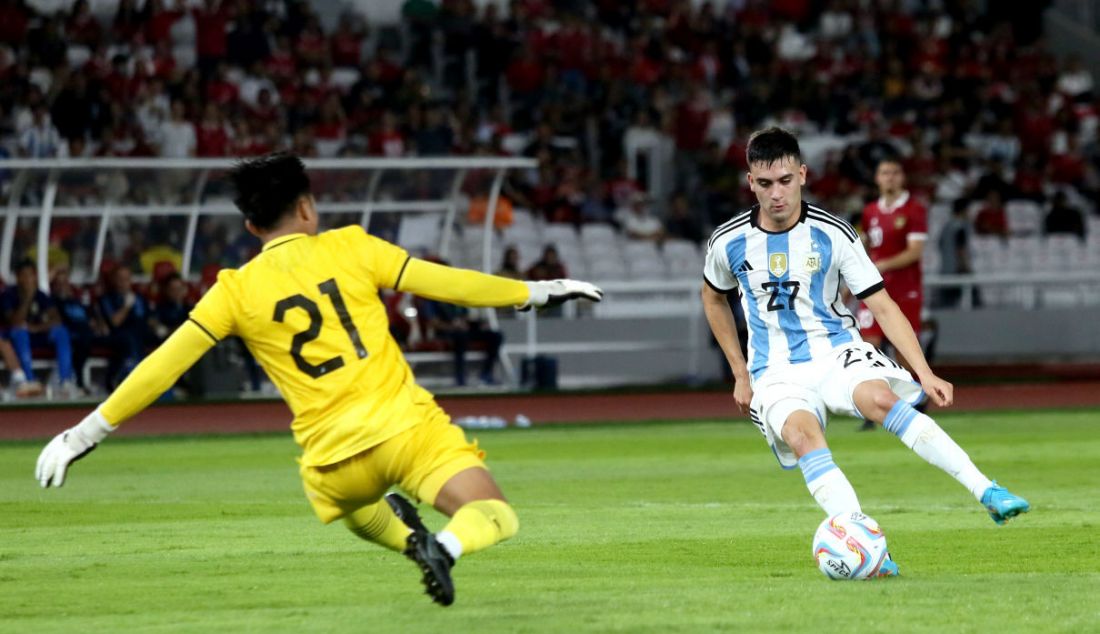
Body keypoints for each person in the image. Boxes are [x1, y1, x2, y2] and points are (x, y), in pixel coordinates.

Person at [35, 153, 602, 607]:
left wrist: (81, 434)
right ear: (307, 208)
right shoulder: (352, 246)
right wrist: (536, 292)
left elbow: (162, 365)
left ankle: (411, 542)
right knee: (495, 515)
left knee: (360, 508)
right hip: (405, 430)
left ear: (252, 225)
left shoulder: (234, 289)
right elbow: (448, 283)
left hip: (332, 462)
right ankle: (445, 548)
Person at [700, 128, 1029, 578]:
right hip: (773, 370)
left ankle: (987, 490)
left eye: (784, 181)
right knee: (803, 437)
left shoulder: (834, 233)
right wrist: (739, 372)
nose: (775, 194)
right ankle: (869, 550)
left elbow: (882, 304)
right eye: (764, 184)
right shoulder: (727, 241)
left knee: (881, 400)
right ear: (750, 182)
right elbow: (713, 298)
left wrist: (924, 372)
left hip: (836, 352)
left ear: (802, 174)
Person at [854, 157, 928, 430]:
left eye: (895, 173)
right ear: (877, 178)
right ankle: (873, 407)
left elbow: (915, 251)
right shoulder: (870, 211)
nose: (890, 178)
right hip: (874, 290)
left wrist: (881, 264)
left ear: (903, 177)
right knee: (868, 347)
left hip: (904, 289)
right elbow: (865, 247)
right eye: (885, 172)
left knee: (903, 351)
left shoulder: (914, 210)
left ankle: (918, 401)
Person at [0, 259, 79, 398]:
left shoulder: (41, 295)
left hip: (37, 334)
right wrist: (27, 299)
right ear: (17, 277)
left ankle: (65, 380)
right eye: (24, 275)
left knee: (61, 332)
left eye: (31, 275)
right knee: (20, 332)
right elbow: (15, 322)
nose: (28, 279)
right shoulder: (8, 295)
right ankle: (28, 380)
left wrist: (37, 328)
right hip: (16, 337)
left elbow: (56, 319)